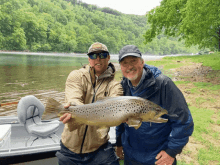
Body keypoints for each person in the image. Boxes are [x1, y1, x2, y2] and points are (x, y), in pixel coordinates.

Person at [116, 45, 194, 165]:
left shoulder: (163, 84)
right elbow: (120, 119)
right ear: (121, 67)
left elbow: (183, 121)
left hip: (157, 157)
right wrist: (119, 143)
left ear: (142, 62)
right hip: (131, 156)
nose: (129, 66)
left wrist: (171, 152)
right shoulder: (123, 86)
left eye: (133, 61)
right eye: (125, 63)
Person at [56, 42, 123, 165]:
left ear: (108, 58)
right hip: (70, 149)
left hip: (99, 148)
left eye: (102, 55)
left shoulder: (115, 84)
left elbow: (115, 103)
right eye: (93, 55)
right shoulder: (76, 75)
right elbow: (73, 96)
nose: (98, 59)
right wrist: (73, 107)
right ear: (89, 59)